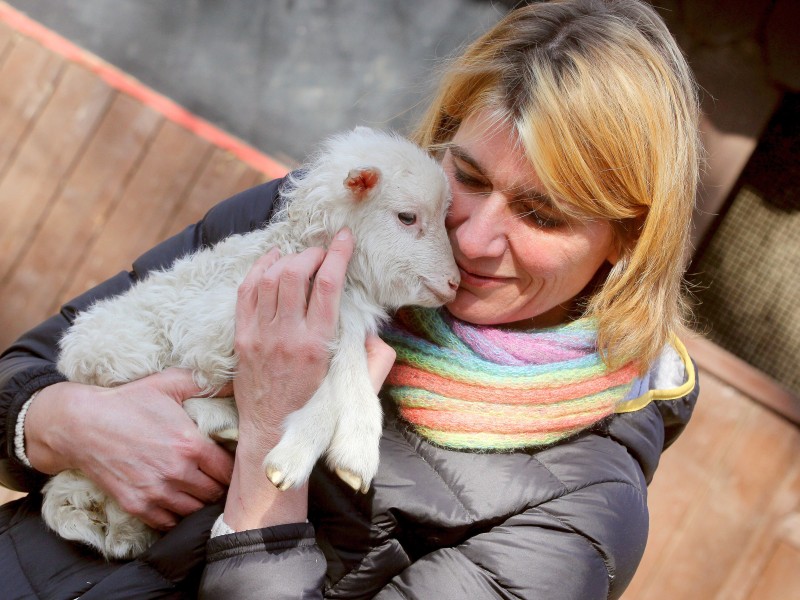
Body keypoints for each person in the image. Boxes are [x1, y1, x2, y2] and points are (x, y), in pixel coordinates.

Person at [0, 0, 700, 597]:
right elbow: (24, 369)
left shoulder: (582, 506)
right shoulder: (329, 214)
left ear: (627, 240)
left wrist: (271, 447)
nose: (475, 238)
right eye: (469, 176)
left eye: (541, 216)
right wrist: (67, 420)